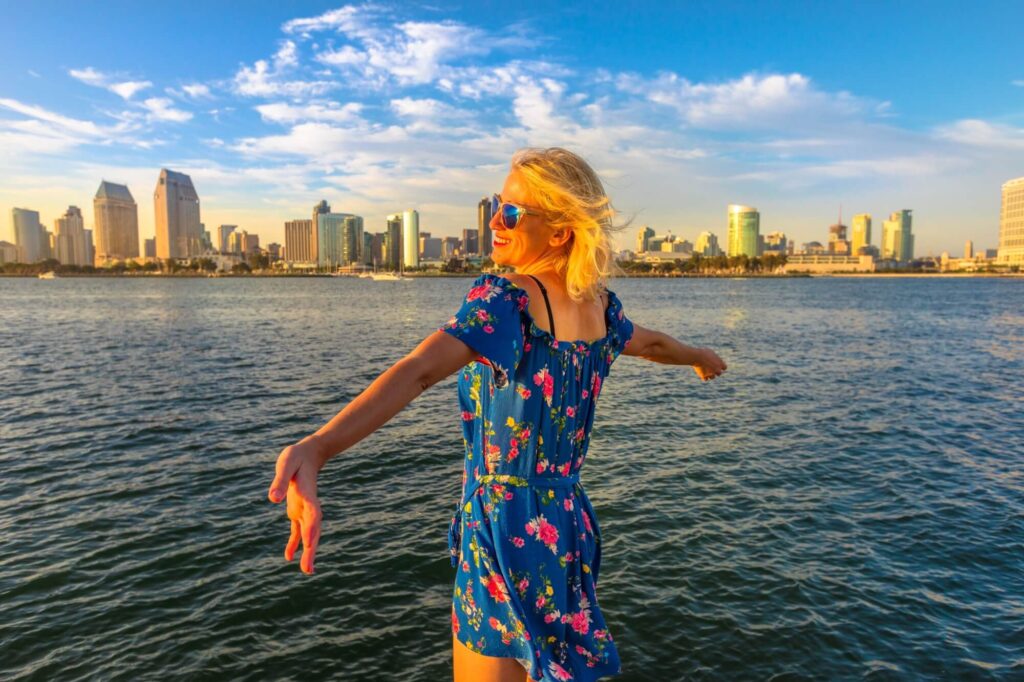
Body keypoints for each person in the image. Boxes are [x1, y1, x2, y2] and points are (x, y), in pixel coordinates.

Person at [268, 147, 727, 682]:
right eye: (495, 207)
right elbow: (653, 345)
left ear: (557, 232)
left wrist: (317, 448)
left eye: (510, 212)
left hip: (502, 525)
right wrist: (699, 357)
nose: (495, 222)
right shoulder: (602, 308)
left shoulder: (506, 301)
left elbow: (418, 370)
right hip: (564, 524)